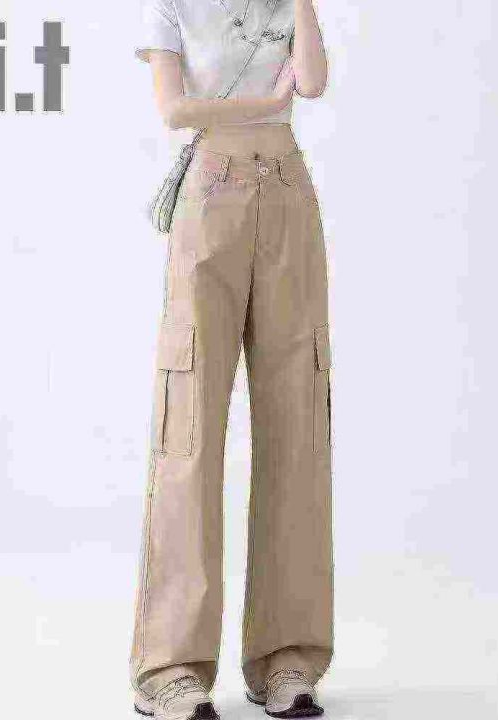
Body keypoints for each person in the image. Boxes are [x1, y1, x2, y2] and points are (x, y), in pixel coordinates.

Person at [130, 1, 333, 718]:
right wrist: (265, 104)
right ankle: (171, 669)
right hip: (210, 195)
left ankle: (288, 659)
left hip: (287, 193)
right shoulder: (170, 5)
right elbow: (174, 110)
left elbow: (313, 82)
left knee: (297, 427)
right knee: (188, 430)